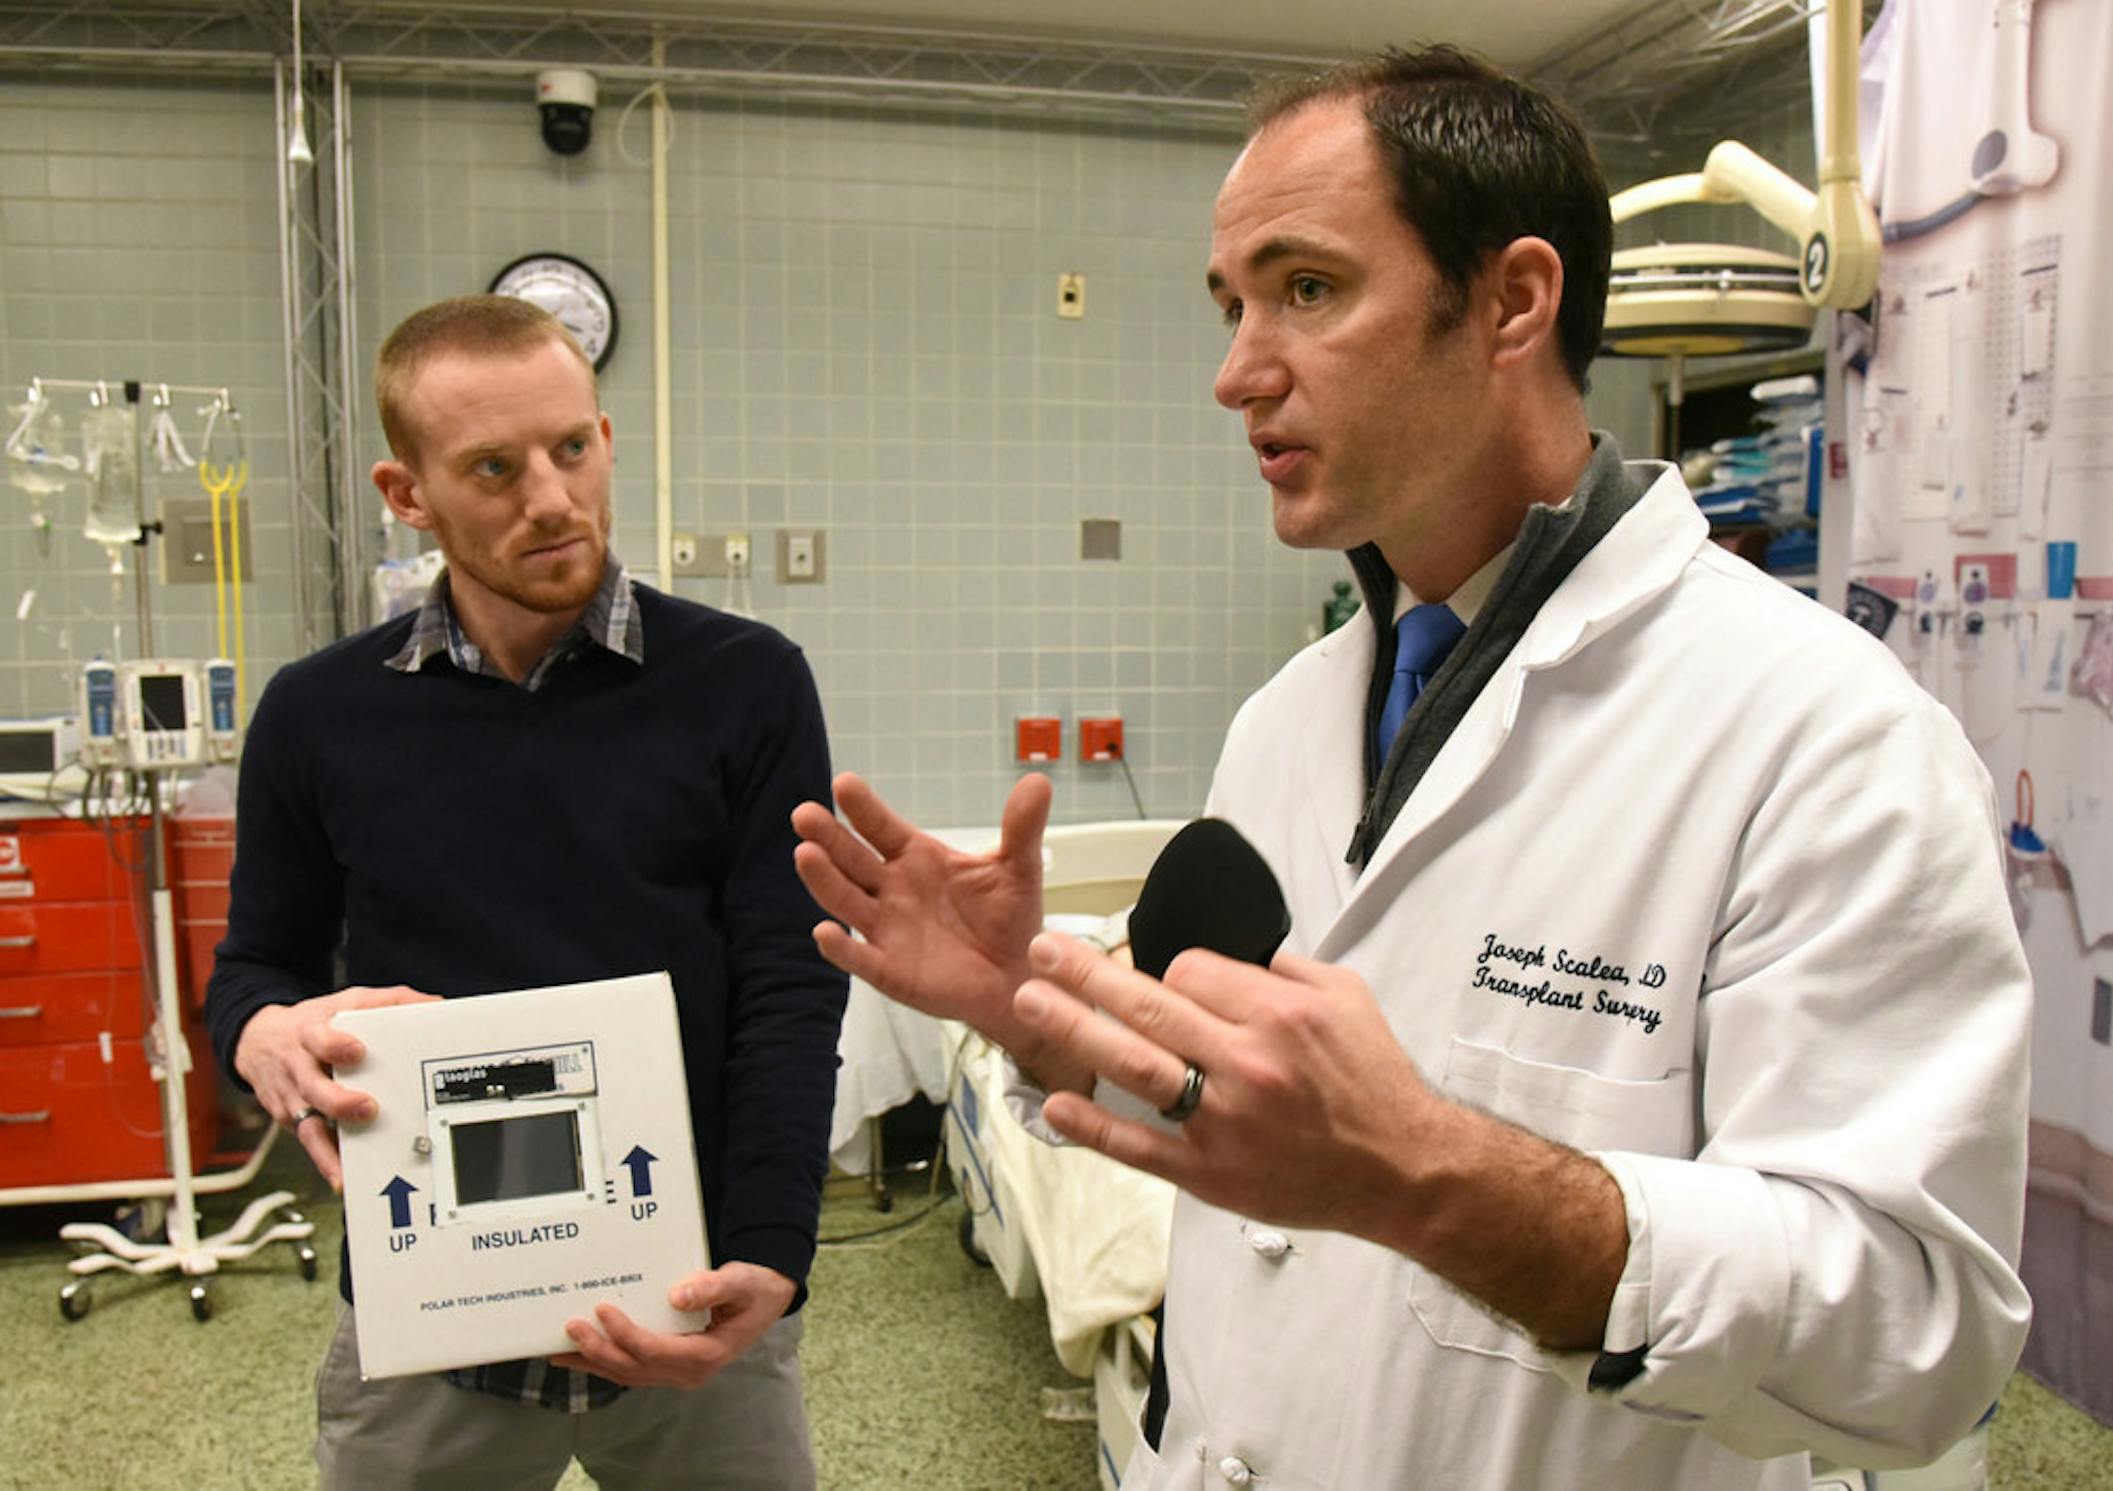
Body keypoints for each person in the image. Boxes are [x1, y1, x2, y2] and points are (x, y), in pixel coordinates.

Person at [792, 44, 2032, 1491]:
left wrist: (1429, 1171)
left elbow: (1918, 1332)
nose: (1237, 371)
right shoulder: (1287, 723)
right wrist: (1041, 1012)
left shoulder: (1822, 740)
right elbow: (1252, 1149)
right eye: (1233, 303)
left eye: (1307, 289)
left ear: (1511, 302)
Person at [204, 294, 846, 1490]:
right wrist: (265, 1034)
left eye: (572, 449)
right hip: (429, 1329)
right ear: (409, 495)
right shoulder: (318, 716)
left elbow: (788, 987)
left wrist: (772, 1252)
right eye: (494, 468)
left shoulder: (746, 685)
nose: (551, 497)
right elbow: (255, 970)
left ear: (605, 434)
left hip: (693, 1305)